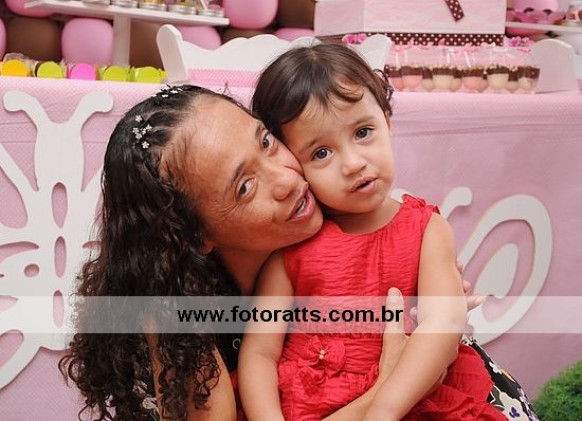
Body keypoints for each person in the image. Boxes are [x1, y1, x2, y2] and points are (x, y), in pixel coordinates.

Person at [58, 84, 480, 421]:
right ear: (195, 235)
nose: (286, 180)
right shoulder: (179, 330)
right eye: (245, 187)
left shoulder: (348, 214)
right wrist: (386, 387)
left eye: (266, 141)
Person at [239, 43, 513, 421]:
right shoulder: (292, 247)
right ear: (291, 162)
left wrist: (384, 409)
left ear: (388, 121)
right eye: (321, 153)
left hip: (408, 398)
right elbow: (259, 352)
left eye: (363, 132)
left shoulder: (427, 230)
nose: (354, 163)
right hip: (307, 407)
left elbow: (444, 322)